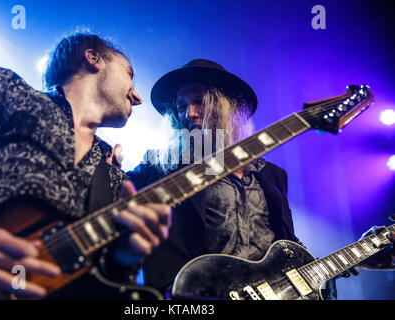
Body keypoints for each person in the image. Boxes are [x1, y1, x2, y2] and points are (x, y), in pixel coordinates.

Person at [123, 59, 394, 299]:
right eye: (181, 106)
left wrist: (357, 258)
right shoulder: (160, 168)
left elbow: (290, 257)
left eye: (199, 102)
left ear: (227, 108)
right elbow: (117, 202)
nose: (188, 114)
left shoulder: (272, 176)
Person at [0, 32, 171, 299]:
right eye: (129, 74)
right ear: (93, 58)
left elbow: (104, 279)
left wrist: (126, 256)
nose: (137, 97)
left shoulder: (114, 175)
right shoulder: (7, 90)